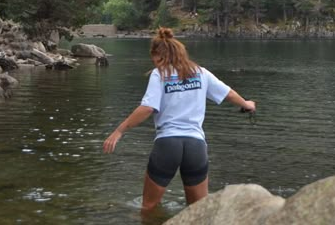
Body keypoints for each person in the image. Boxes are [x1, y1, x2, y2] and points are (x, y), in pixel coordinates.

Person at [103, 26, 256, 213]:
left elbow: (148, 108)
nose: (155, 63)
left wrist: (119, 131)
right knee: (198, 211)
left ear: (158, 56)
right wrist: (247, 104)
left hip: (167, 144)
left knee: (149, 208)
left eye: (154, 59)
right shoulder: (201, 72)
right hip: (196, 146)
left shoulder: (159, 74)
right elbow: (229, 94)